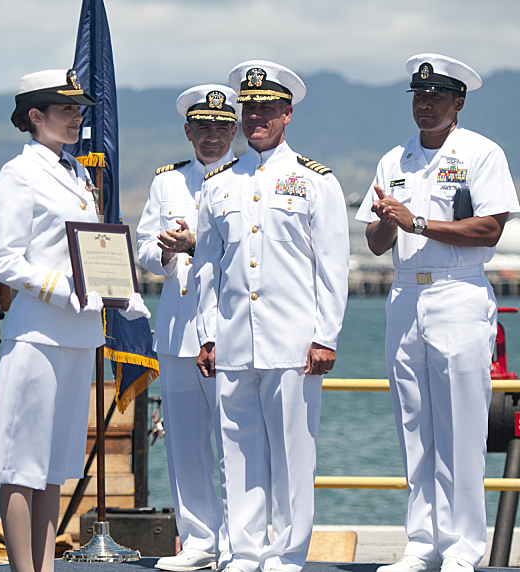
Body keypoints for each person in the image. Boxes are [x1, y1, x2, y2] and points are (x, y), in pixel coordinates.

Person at [355, 54, 520, 572]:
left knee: (462, 429)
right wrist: (388, 221)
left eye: (437, 97)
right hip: (405, 295)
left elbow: (490, 229)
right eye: (419, 97)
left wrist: (418, 222)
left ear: (459, 102)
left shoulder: (480, 153)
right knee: (415, 425)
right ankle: (422, 544)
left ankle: (463, 549)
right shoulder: (394, 160)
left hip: (458, 292)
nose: (425, 106)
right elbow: (378, 242)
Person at [0, 69, 149, 572]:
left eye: (79, 110)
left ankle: (45, 566)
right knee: (21, 463)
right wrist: (65, 290)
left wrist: (121, 292)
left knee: (55, 465)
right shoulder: (21, 172)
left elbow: (93, 249)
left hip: (79, 333)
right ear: (36, 116)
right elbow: (5, 259)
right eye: (65, 110)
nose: (77, 118)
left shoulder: (77, 172)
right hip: (38, 330)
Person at [194, 61, 349, 572]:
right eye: (249, 108)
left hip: (293, 341)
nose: (255, 116)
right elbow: (206, 271)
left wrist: (325, 336)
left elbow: (331, 268)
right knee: (235, 452)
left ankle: (286, 553)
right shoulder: (219, 184)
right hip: (235, 340)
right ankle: (244, 550)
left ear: (287, 115)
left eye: (266, 108)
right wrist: (207, 334)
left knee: (291, 454)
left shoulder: (313, 181)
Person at [137, 84, 239, 571]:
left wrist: (197, 242)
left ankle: (242, 543)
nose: (212, 136)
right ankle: (199, 541)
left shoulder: (247, 179)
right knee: (184, 443)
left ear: (235, 130)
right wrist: (163, 250)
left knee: (236, 441)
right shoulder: (167, 183)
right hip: (179, 329)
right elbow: (141, 248)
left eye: (221, 127)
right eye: (202, 127)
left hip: (232, 327)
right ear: (187, 131)